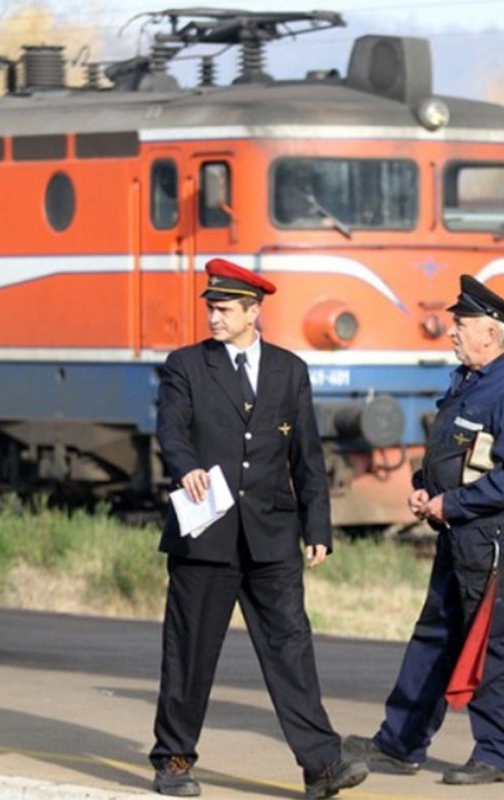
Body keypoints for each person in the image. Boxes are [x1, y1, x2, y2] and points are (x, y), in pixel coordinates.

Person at [149, 257, 368, 799]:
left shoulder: (289, 370)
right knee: (191, 649)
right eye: (211, 307)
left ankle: (322, 765)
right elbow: (171, 429)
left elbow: (307, 455)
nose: (214, 317)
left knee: (291, 648)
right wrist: (186, 467)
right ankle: (174, 759)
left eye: (224, 309)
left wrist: (317, 525)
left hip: (272, 537)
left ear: (253, 312)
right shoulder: (186, 366)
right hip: (207, 536)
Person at [344, 274, 504, 786]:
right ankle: (400, 743)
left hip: (492, 539)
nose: (451, 332)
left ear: (490, 332)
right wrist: (424, 487)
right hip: (461, 532)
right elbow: (454, 454)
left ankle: (500, 755)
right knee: (435, 636)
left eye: (461, 325)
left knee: (492, 644)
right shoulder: (472, 381)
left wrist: (451, 503)